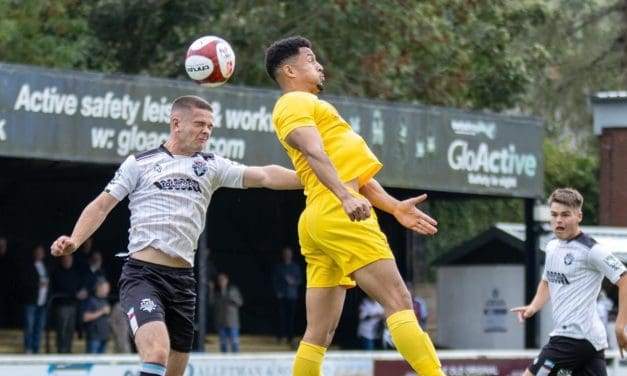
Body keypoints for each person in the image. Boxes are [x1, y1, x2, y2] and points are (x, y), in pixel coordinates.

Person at [50, 95, 301, 376]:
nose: (206, 130)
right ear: (176, 123)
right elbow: (102, 205)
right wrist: (75, 239)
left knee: (174, 372)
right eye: (199, 124)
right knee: (157, 353)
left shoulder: (211, 166)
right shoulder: (140, 163)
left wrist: (313, 178)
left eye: (210, 126)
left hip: (183, 282)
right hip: (143, 276)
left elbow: (264, 176)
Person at [265, 36, 444, 375]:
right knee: (399, 301)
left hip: (321, 218)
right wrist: (345, 196)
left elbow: (355, 176)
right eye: (310, 59)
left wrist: (393, 207)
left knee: (319, 332)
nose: (320, 65)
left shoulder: (313, 107)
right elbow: (312, 151)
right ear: (289, 70)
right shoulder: (293, 103)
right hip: (337, 213)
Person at [510, 188, 627, 375]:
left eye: (565, 215)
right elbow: (548, 281)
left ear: (579, 216)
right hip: (590, 342)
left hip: (573, 336)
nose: (558, 220)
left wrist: (620, 327)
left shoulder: (591, 250)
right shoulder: (552, 247)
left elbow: (624, 279)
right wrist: (533, 307)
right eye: (554, 215)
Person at [50, 253, 87, 353]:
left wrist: (82, 292)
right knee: (62, 329)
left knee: (70, 330)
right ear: (62, 260)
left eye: (69, 259)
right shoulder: (57, 272)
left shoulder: (75, 272)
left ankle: (68, 350)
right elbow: (61, 287)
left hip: (73, 305)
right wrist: (75, 294)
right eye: (65, 259)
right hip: (62, 305)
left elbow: (79, 285)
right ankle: (61, 350)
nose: (67, 261)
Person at [272, 246, 303, 348]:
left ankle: (290, 337)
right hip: (281, 295)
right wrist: (277, 291)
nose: (287, 255)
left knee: (291, 317)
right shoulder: (279, 267)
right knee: (281, 317)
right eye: (285, 253)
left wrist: (293, 282)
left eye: (288, 253)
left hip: (292, 295)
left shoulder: (295, 267)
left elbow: (300, 280)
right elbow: (275, 280)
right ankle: (280, 336)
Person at [21, 244, 50, 353]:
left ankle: (36, 348)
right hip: (31, 301)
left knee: (39, 326)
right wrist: (37, 284)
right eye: (38, 251)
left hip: (42, 301)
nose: (40, 253)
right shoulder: (29, 266)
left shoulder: (45, 266)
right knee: (30, 326)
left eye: (41, 251)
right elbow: (24, 282)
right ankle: (28, 348)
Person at [210, 272, 243, 353]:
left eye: (223, 279)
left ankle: (236, 360)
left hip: (232, 321)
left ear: (227, 280)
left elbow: (240, 302)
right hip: (221, 322)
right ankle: (224, 361)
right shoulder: (217, 293)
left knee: (234, 342)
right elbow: (211, 303)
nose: (222, 281)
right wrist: (211, 290)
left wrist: (233, 298)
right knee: (223, 343)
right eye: (220, 280)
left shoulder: (233, 290)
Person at [83, 278, 111, 353]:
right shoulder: (90, 300)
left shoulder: (105, 300)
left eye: (108, 288)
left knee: (102, 364)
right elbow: (85, 317)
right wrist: (102, 311)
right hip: (94, 338)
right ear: (99, 288)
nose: (107, 290)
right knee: (91, 363)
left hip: (104, 337)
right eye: (105, 288)